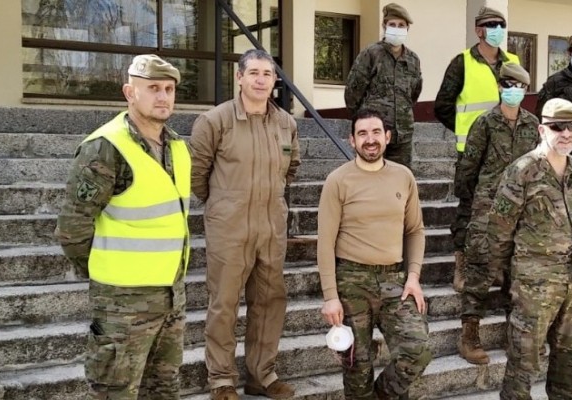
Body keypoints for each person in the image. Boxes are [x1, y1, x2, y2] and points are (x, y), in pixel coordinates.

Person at [55, 54, 189, 399]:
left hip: (170, 297)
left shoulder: (176, 146)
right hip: (121, 303)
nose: (163, 96)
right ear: (130, 92)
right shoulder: (106, 148)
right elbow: (72, 229)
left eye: (169, 89)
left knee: (163, 389)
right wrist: (106, 273)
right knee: (115, 391)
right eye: (153, 88)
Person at [190, 49, 301, 400]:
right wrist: (225, 205)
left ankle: (261, 375)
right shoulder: (214, 121)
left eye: (267, 74)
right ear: (239, 77)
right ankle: (222, 380)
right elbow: (197, 175)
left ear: (274, 81)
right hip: (229, 228)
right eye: (253, 73)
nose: (260, 80)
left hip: (271, 228)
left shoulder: (286, 123)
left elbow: (291, 169)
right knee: (224, 304)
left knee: (269, 302)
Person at [317, 108, 431, 400]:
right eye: (362, 133)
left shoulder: (403, 177)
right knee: (357, 364)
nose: (370, 139)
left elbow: (415, 230)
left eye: (376, 132)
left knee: (417, 349)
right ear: (352, 141)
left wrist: (414, 276)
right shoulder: (338, 180)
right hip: (351, 280)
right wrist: (330, 296)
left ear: (388, 137)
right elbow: (325, 242)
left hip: (394, 278)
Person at [491, 98, 572, 400]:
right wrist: (507, 279)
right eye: (557, 127)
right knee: (524, 363)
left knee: (571, 364)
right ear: (541, 129)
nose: (566, 133)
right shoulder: (522, 171)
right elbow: (499, 230)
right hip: (534, 286)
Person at [453, 62, 539, 365]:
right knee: (479, 271)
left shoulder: (533, 124)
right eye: (508, 85)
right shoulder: (485, 123)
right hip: (488, 207)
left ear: (525, 91)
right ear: (500, 87)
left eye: (519, 87)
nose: (513, 91)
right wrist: (473, 206)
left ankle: (514, 337)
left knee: (517, 275)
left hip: (522, 211)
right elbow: (468, 169)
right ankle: (469, 336)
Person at [433, 5, 519, 286]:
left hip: (506, 152)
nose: (497, 30)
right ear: (478, 30)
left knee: (506, 209)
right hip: (471, 154)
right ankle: (463, 266)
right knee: (468, 209)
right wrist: (468, 133)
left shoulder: (513, 61)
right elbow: (443, 106)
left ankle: (498, 268)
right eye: (491, 25)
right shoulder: (462, 62)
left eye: (501, 25)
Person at [344, 3, 422, 170]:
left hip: (403, 136)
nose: (397, 28)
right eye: (392, 24)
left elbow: (414, 93)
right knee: (368, 179)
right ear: (384, 26)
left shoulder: (413, 60)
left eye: (401, 25)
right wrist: (364, 121)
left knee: (400, 181)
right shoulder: (371, 54)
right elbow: (352, 93)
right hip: (374, 134)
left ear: (407, 28)